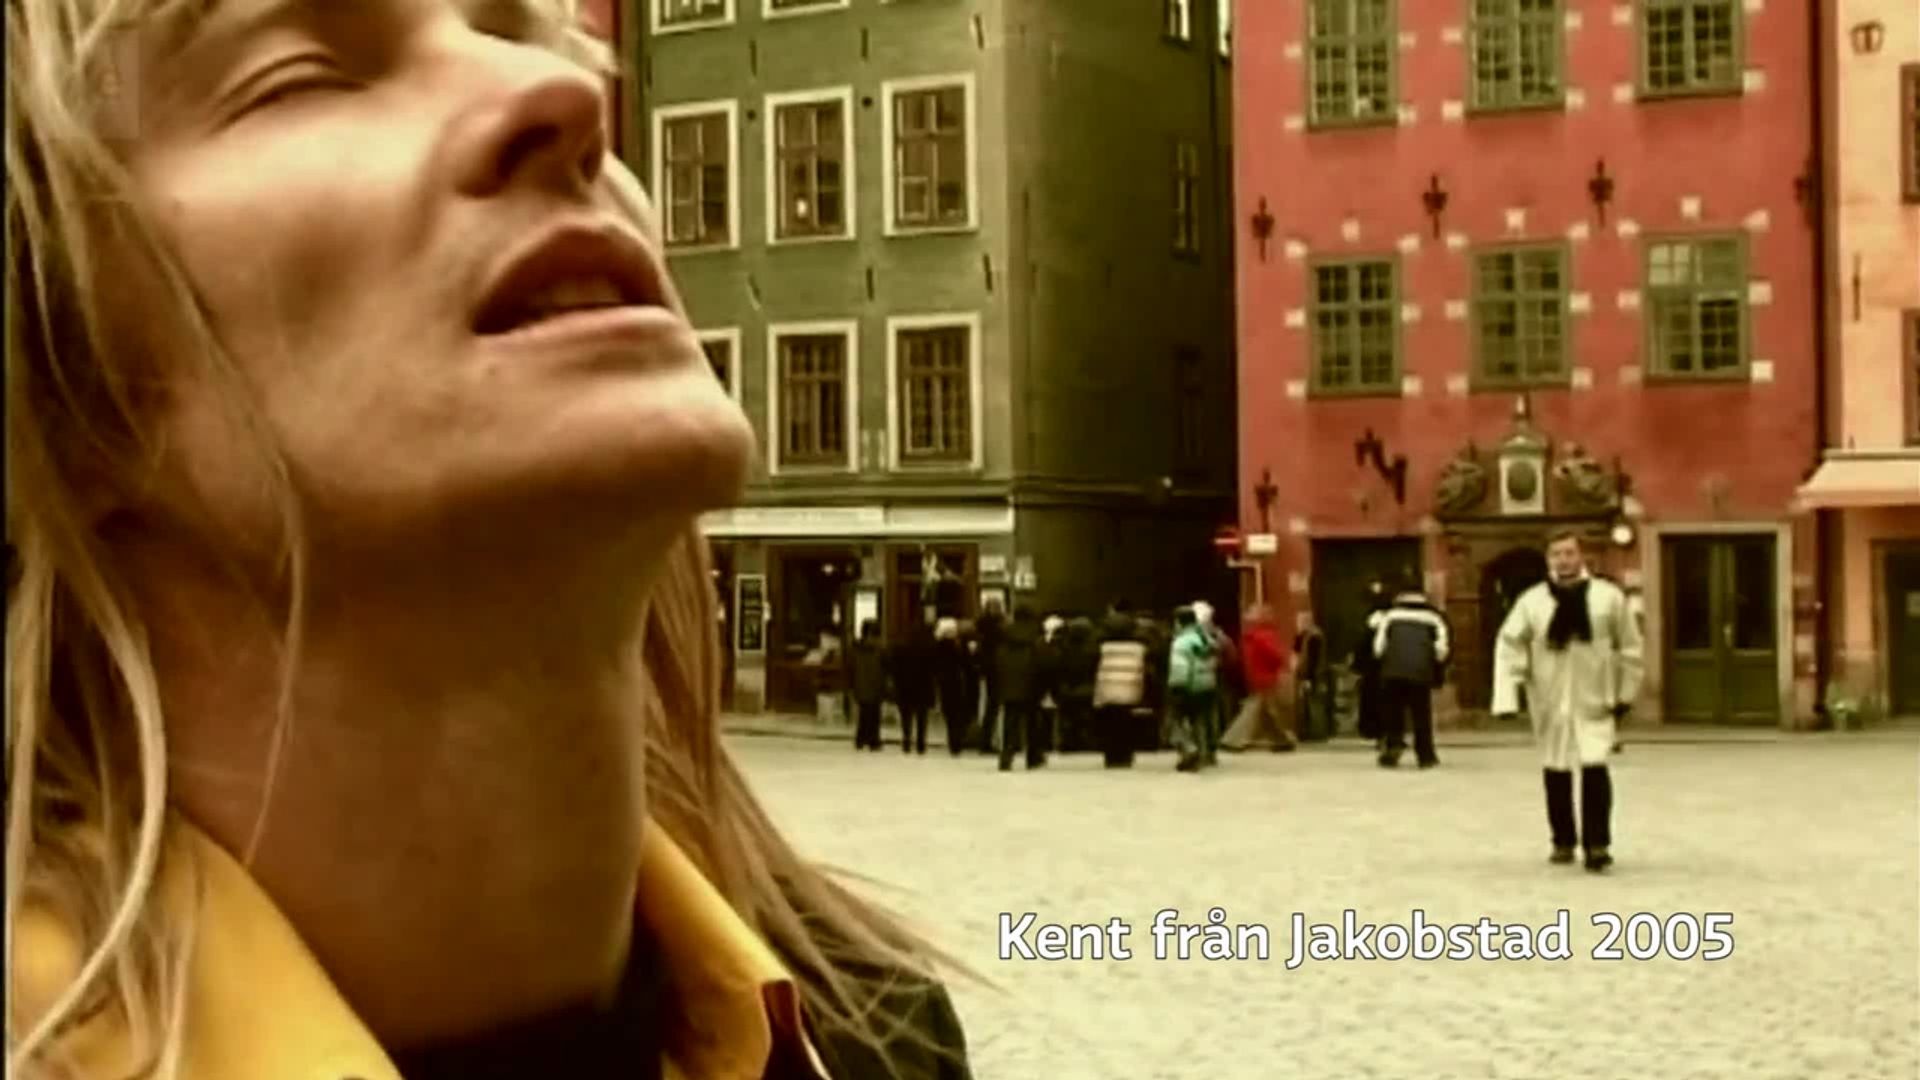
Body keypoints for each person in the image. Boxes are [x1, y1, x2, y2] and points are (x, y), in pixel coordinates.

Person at [5, 5, 972, 1076]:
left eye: (527, 40)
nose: (560, 99)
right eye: (299, 74)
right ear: (58, 388)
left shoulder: (875, 1038)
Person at [1494, 530, 1645, 873]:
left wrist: (1626, 692)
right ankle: (1562, 840)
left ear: (1581, 556)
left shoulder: (1607, 597)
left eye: (1569, 553)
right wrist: (1508, 693)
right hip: (1549, 694)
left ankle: (1597, 844)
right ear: (1549, 559)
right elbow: (1510, 643)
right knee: (1556, 766)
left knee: (1595, 764)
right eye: (1557, 554)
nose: (1563, 560)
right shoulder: (1533, 601)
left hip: (1595, 693)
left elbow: (1630, 646)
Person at [1372, 574, 1451, 769]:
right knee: (1421, 714)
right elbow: (1442, 649)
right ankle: (1425, 755)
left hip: (1393, 672)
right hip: (1420, 673)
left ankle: (1393, 747)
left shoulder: (1390, 616)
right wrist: (1434, 664)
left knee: (1393, 712)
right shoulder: (1435, 618)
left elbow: (1379, 647)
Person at [1221, 605, 1296, 752]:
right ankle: (1235, 740)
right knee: (1260, 711)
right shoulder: (1263, 635)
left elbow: (1260, 658)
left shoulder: (1253, 636)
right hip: (1266, 678)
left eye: (1251, 613)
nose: (1247, 616)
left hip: (1258, 678)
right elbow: (1276, 656)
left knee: (1261, 711)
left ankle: (1279, 740)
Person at [1093, 609, 1149, 768]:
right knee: (1127, 724)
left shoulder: (1102, 647)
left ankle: (1111, 757)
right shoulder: (1138, 647)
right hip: (1130, 689)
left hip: (1107, 689)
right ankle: (1125, 756)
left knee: (1109, 724)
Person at [1166, 607, 1219, 773]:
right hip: (1207, 685)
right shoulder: (1206, 639)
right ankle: (1203, 755)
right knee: (1199, 722)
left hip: (1187, 684)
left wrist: (1177, 686)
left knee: (1174, 722)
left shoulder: (1181, 642)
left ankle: (1189, 749)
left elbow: (1180, 666)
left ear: (1179, 622)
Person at [994, 606, 1045, 772]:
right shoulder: (1035, 635)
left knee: (1010, 722)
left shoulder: (1005, 634)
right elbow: (1042, 660)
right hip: (1031, 683)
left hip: (1009, 684)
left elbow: (998, 659)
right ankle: (1033, 757)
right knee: (1032, 722)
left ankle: (1006, 757)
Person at [890, 618, 938, 755]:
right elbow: (933, 668)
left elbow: (895, 668)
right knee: (922, 717)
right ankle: (920, 743)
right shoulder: (928, 649)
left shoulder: (901, 648)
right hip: (922, 686)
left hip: (906, 687)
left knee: (906, 716)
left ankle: (907, 740)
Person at [1353, 581, 1390, 746]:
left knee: (1376, 701)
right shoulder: (1389, 618)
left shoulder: (1371, 620)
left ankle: (1379, 733)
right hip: (1383, 667)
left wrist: (1358, 665)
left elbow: (1363, 644)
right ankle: (1384, 733)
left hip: (1375, 668)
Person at [932, 617, 974, 756]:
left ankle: (953, 741)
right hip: (958, 683)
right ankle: (957, 741)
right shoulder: (958, 646)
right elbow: (967, 664)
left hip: (945, 684)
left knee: (950, 714)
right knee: (958, 714)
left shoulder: (938, 647)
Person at [971, 599, 1007, 754]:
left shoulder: (980, 628)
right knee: (994, 706)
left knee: (988, 706)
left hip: (985, 671)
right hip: (996, 669)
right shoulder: (998, 628)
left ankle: (985, 740)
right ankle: (990, 741)